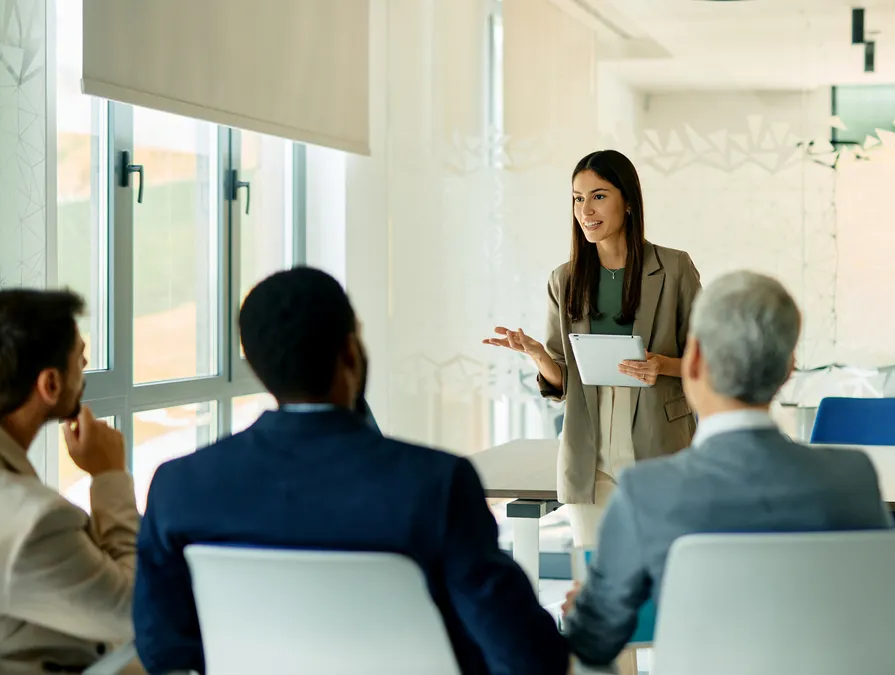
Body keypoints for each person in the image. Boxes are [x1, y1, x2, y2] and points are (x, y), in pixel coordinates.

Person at [133, 267, 568, 675]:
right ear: (350, 352)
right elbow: (528, 656)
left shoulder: (179, 488)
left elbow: (161, 648)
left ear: (256, 365)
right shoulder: (435, 483)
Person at [562, 271, 893, 668]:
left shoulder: (647, 493)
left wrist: (583, 610)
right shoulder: (853, 478)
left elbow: (593, 640)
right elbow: (874, 613)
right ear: (788, 369)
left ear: (695, 360)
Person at [485, 149, 703, 548]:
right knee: (594, 576)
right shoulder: (565, 279)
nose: (585, 209)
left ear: (629, 202)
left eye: (598, 196)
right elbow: (563, 382)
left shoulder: (674, 268)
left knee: (663, 575)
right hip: (590, 450)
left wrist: (663, 366)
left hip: (660, 444)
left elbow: (707, 363)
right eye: (577, 198)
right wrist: (537, 354)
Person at [0, 290, 139, 673]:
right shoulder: (34, 522)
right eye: (80, 357)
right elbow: (137, 611)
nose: (86, 363)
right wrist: (109, 477)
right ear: (50, 384)